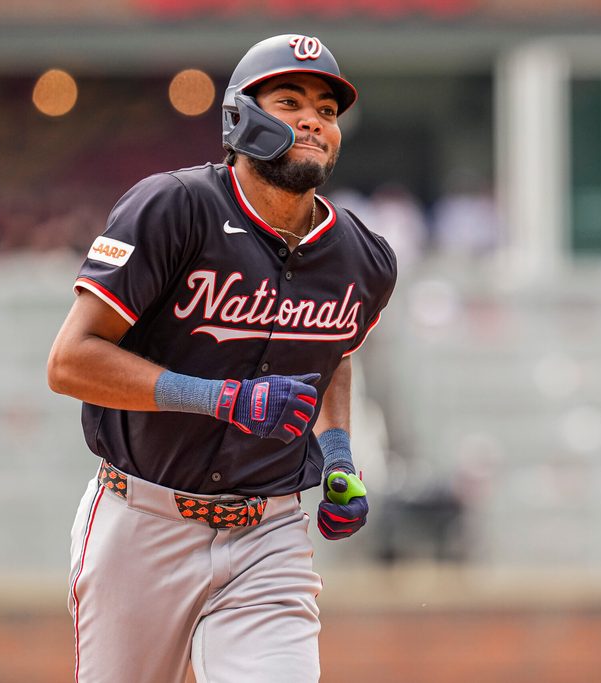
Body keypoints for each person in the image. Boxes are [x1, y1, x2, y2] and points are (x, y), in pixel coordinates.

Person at [47, 34, 397, 683]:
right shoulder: (172, 207)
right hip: (142, 520)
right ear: (240, 116)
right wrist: (217, 396)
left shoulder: (364, 256)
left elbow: (337, 352)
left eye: (326, 108)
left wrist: (341, 452)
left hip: (269, 530)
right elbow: (70, 361)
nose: (313, 118)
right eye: (289, 99)